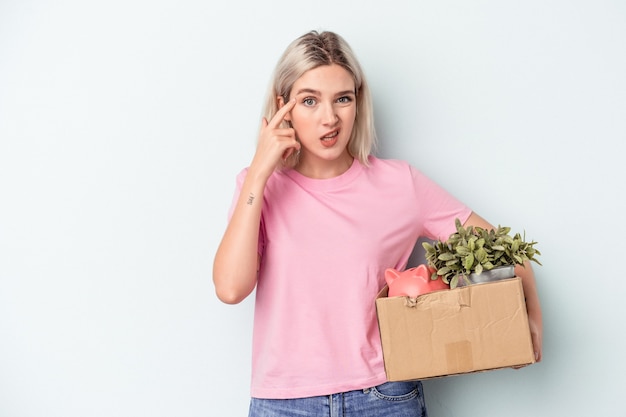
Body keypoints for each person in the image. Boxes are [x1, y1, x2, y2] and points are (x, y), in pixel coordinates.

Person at [213, 30, 543, 417]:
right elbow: (231, 288)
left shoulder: (399, 184)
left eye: (342, 99)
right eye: (309, 101)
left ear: (358, 101)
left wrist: (530, 321)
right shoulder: (258, 187)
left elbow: (502, 250)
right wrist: (259, 172)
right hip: (283, 402)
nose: (329, 118)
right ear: (282, 107)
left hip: (383, 397)